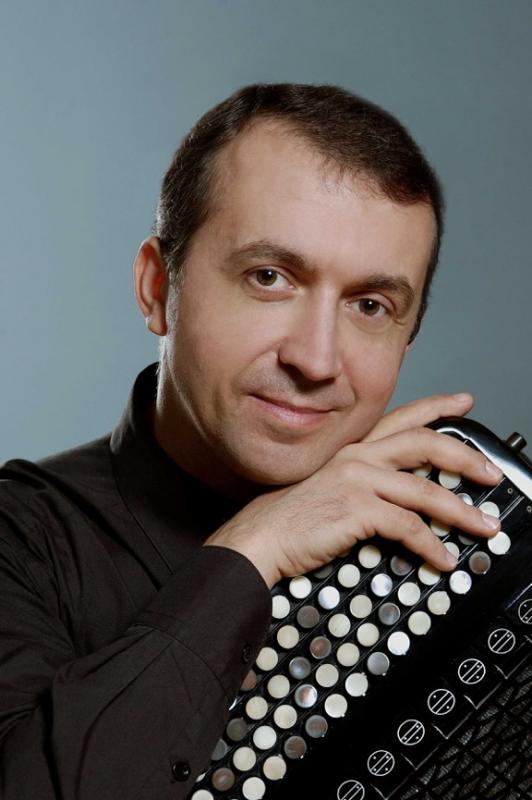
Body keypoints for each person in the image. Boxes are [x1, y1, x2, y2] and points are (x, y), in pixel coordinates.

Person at [0, 83, 503, 799]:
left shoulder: (460, 544)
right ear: (157, 288)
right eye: (269, 278)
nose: (317, 360)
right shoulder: (19, 542)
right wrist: (254, 549)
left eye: (370, 305)